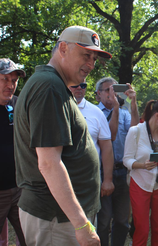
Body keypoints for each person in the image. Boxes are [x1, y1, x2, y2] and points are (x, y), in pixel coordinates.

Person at [14, 25, 112, 246]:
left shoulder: (55, 85)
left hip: (61, 218)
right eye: (86, 55)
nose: (91, 65)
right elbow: (49, 163)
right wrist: (81, 225)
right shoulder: (49, 87)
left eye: (94, 59)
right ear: (63, 48)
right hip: (56, 219)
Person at [123, 99, 158, 246]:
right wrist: (141, 165)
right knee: (142, 229)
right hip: (140, 185)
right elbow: (126, 160)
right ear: (157, 115)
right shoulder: (136, 131)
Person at [95, 77, 139, 246]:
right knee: (104, 222)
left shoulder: (125, 112)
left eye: (114, 90)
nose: (111, 93)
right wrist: (115, 109)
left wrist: (133, 102)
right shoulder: (94, 113)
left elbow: (134, 131)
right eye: (107, 90)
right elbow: (110, 135)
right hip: (102, 174)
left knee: (122, 220)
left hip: (122, 172)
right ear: (98, 94)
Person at [68, 81, 115, 198]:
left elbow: (107, 147)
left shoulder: (96, 112)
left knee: (89, 215)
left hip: (89, 181)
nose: (79, 88)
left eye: (83, 85)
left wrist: (108, 180)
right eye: (75, 85)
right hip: (62, 180)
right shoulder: (55, 108)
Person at [0, 58, 26, 246]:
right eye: (4, 79)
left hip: (20, 190)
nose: (10, 85)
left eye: (14, 81)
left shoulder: (19, 106)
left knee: (29, 239)